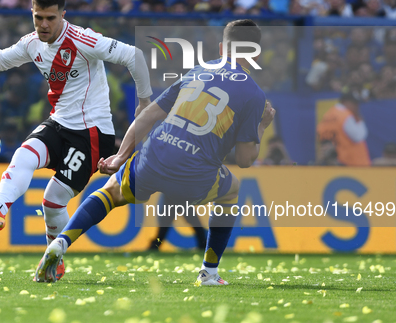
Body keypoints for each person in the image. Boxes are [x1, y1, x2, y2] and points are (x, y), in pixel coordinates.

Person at [35, 20, 275, 285]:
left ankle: (60, 242)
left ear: (221, 48)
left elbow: (148, 116)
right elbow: (244, 160)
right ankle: (209, 272)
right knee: (232, 189)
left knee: (111, 192)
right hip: (195, 171)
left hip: (156, 153)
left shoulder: (197, 72)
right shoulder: (254, 94)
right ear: (255, 54)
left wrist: (120, 156)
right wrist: (263, 125)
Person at [0, 0, 152, 276]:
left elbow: (135, 55)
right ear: (32, 13)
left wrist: (145, 101)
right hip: (59, 122)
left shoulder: (83, 39)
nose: (44, 25)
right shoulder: (31, 43)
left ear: (63, 15)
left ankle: (56, 255)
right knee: (25, 154)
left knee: (52, 201)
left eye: (51, 18)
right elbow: (0, 61)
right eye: (38, 17)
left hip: (91, 133)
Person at [317, 93, 371, 166]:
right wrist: (360, 120)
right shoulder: (345, 115)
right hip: (352, 163)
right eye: (355, 104)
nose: (357, 107)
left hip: (334, 162)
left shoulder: (327, 115)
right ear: (345, 102)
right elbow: (359, 136)